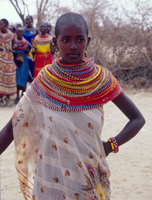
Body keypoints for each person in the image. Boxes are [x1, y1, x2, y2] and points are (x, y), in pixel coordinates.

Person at [0, 12, 145, 200]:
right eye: (66, 40)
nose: (73, 46)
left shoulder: (102, 80)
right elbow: (13, 127)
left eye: (80, 39)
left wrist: (110, 145)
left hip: (88, 174)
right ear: (55, 42)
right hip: (50, 175)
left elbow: (137, 119)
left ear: (88, 41)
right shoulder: (44, 81)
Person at [0, 19, 16, 106]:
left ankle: (8, 98)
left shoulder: (12, 35)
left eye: (0, 24)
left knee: (8, 77)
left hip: (8, 58)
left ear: (5, 25)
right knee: (0, 77)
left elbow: (13, 46)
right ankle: (1, 99)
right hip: (0, 58)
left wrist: (14, 47)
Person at [13, 27, 29, 104]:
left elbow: (29, 52)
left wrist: (27, 49)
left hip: (24, 60)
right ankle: (17, 96)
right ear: (16, 32)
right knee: (17, 76)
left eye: (21, 32)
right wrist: (15, 49)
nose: (20, 34)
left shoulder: (25, 42)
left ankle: (23, 94)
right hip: (16, 59)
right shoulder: (14, 41)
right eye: (19, 32)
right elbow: (12, 50)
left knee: (24, 77)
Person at [23, 15, 39, 82]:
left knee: (33, 69)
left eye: (28, 19)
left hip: (33, 53)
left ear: (31, 21)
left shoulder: (36, 30)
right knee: (25, 70)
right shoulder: (22, 30)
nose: (27, 21)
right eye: (26, 20)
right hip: (25, 53)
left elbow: (39, 40)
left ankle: (32, 87)